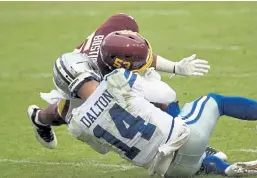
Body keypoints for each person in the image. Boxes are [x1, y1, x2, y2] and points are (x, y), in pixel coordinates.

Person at [52, 53, 257, 177]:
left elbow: (103, 150)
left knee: (189, 160)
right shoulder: (116, 80)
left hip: (168, 170)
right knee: (215, 101)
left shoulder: (76, 124)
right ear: (86, 66)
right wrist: (151, 77)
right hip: (186, 139)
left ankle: (227, 170)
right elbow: (167, 95)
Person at [27, 13, 210, 150]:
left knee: (155, 99)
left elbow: (133, 53)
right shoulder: (92, 76)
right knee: (71, 113)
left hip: (103, 63)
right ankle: (39, 118)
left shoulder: (121, 26)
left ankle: (185, 141)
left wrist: (176, 67)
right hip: (75, 74)